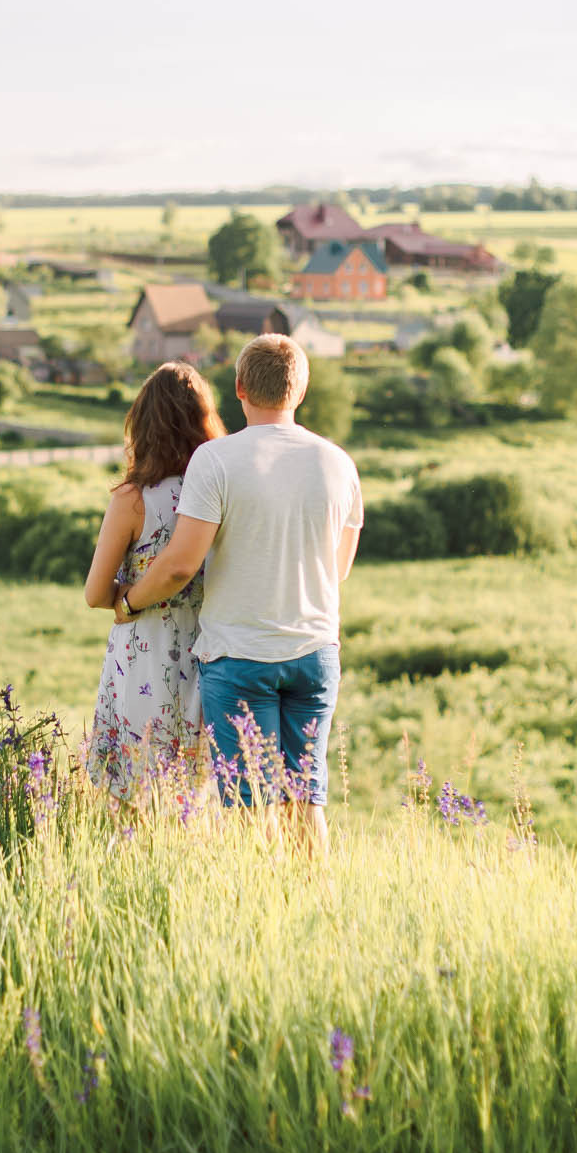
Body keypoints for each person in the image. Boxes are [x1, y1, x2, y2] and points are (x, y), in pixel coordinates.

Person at [115, 335, 363, 854]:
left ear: (240, 388)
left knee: (250, 803)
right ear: (302, 389)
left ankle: (260, 910)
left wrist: (131, 601)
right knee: (306, 797)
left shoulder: (216, 460)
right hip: (316, 653)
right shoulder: (338, 464)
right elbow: (337, 569)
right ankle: (312, 907)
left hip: (239, 654)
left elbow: (181, 565)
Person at [82, 362, 227, 809]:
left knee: (129, 798)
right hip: (208, 649)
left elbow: (94, 593)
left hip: (142, 653)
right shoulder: (223, 489)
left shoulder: (133, 499)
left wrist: (129, 595)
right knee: (191, 795)